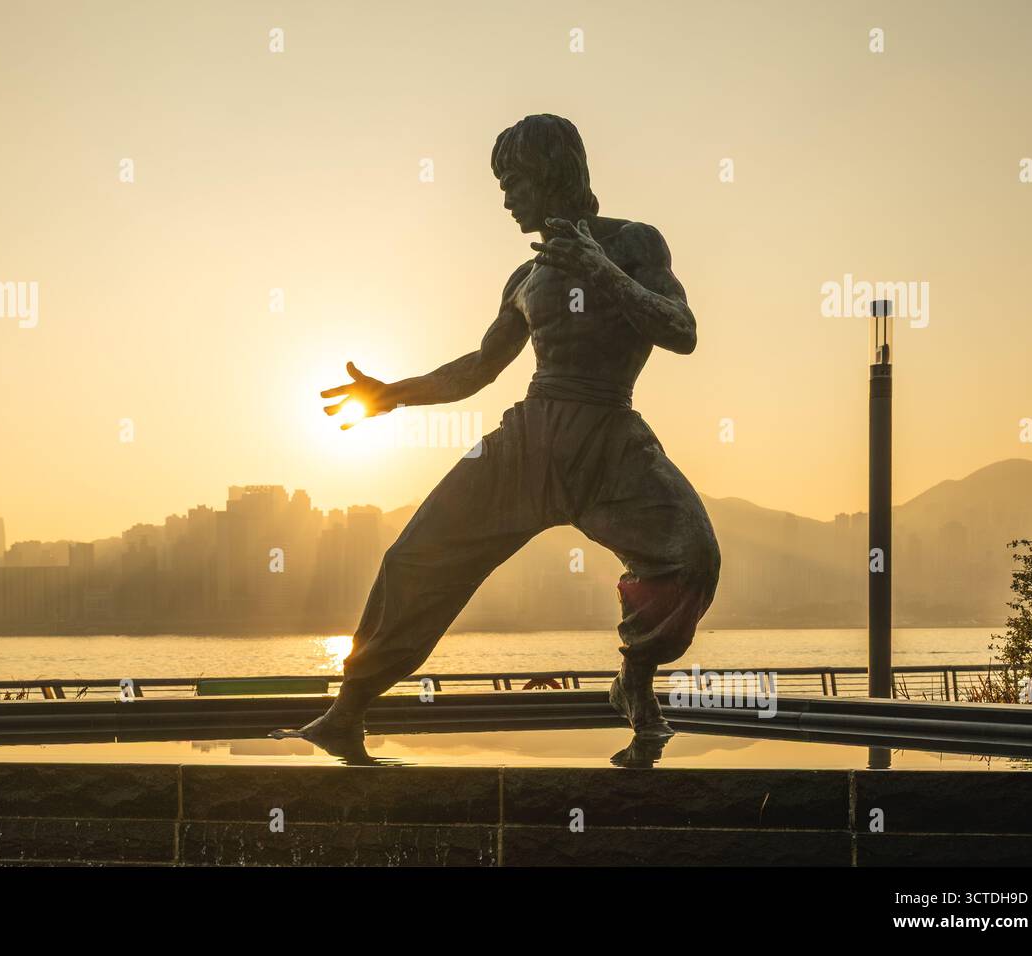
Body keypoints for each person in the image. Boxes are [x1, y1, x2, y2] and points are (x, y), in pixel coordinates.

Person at [275, 114, 720, 752]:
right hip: (528, 443)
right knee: (416, 558)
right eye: (502, 185)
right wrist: (392, 394)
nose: (507, 199)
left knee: (691, 555)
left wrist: (601, 269)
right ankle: (348, 710)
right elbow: (481, 369)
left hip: (609, 440)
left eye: (515, 182)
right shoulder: (524, 279)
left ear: (552, 176)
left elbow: (682, 331)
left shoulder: (634, 243)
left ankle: (636, 682)